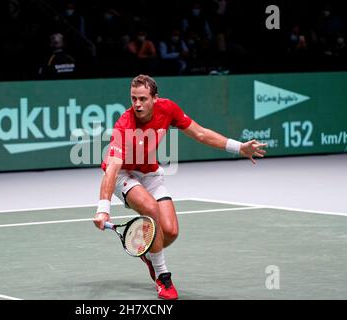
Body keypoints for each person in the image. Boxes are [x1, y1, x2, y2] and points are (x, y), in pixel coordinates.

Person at [93, 74, 267, 300]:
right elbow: (112, 168)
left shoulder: (168, 109)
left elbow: (201, 134)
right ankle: (163, 278)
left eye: (143, 99)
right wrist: (103, 208)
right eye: (134, 99)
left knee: (170, 232)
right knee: (151, 209)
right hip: (123, 175)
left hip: (149, 173)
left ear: (155, 98)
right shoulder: (124, 125)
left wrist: (239, 148)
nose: (137, 104)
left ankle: (148, 251)